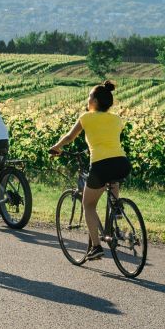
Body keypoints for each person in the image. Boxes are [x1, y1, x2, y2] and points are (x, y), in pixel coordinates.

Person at [49, 80, 130, 260]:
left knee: (88, 204)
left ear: (94, 101)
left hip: (100, 165)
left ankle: (96, 247)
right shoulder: (117, 119)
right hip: (122, 163)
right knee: (113, 177)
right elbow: (108, 138)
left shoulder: (86, 117)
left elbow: (70, 137)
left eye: (89, 96)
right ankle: (116, 208)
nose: (87, 99)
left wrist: (57, 147)